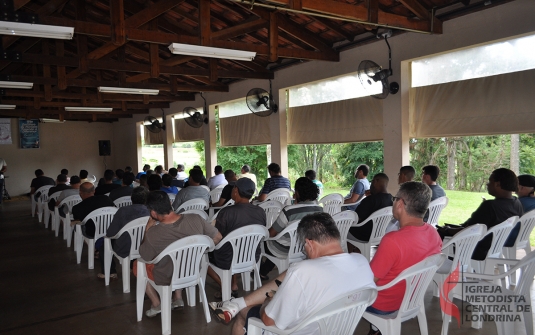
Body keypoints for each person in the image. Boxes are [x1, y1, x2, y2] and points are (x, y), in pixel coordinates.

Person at [209, 212, 376, 335]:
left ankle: (237, 306)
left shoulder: (303, 272)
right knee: (291, 275)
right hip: (339, 329)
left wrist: (268, 302)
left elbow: (268, 320)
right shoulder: (361, 262)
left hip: (296, 331)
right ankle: (237, 303)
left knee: (244, 314)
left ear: (309, 244)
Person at [366, 181, 442, 335]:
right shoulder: (433, 233)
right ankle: (376, 329)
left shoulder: (393, 240)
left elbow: (370, 280)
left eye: (395, 198)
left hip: (384, 304)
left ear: (400, 204)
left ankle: (376, 328)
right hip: (412, 299)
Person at [136, 191, 222, 317]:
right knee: (182, 260)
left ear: (153, 213)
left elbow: (144, 256)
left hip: (167, 276)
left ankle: (156, 303)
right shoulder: (196, 219)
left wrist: (147, 229)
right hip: (192, 270)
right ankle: (178, 297)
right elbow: (218, 237)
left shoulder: (153, 233)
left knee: (136, 265)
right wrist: (201, 248)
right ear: (170, 203)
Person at [437, 168, 523, 261]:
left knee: (436, 235)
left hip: (476, 248)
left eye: (490, 181)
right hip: (494, 247)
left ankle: (433, 268)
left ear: (498, 184)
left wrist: (447, 230)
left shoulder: (490, 206)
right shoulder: (516, 202)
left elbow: (469, 230)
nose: (487, 184)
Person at [207, 178, 266, 298]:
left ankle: (225, 286)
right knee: (234, 244)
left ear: (236, 191)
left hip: (227, 258)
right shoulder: (261, 211)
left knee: (202, 258)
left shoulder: (227, 212)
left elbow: (218, 237)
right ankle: (233, 284)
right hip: (252, 255)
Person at [259, 177, 323, 279]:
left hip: (284, 250)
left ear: (297, 193)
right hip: (306, 248)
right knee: (281, 242)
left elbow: (271, 233)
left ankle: (260, 272)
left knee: (265, 242)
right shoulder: (320, 209)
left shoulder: (289, 211)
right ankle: (263, 271)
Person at [98, 186, 150, 279]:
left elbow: (111, 233)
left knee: (105, 244)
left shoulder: (123, 211)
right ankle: (131, 266)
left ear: (131, 197)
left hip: (125, 248)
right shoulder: (152, 212)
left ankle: (110, 272)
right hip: (147, 247)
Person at [348, 173, 393, 244]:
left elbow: (355, 219)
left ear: (375, 181)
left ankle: (353, 253)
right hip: (380, 234)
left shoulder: (370, 200)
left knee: (343, 229)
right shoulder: (392, 199)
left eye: (372, 182)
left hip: (362, 235)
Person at [71, 182, 115, 247]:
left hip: (92, 233)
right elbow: (115, 209)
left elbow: (78, 221)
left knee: (76, 226)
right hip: (110, 229)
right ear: (94, 191)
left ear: (80, 192)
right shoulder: (106, 198)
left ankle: (93, 248)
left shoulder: (77, 208)